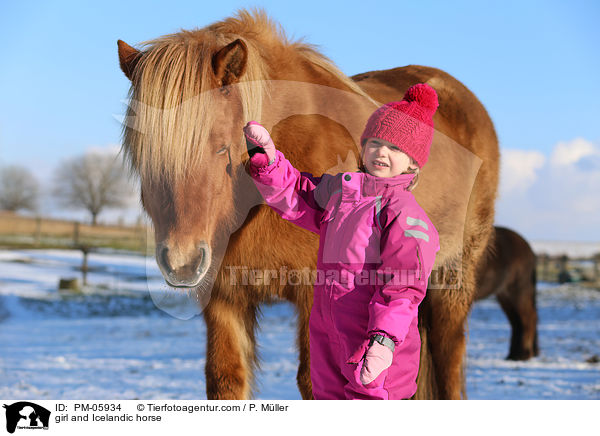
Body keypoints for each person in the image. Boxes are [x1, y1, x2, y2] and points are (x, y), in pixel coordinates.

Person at [244, 83, 441, 400]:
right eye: (375, 142)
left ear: (414, 163)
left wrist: (384, 340)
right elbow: (298, 194)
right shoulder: (342, 193)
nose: (381, 152)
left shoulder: (404, 215)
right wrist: (269, 163)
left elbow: (403, 286)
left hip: (372, 347)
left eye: (395, 148)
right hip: (328, 336)